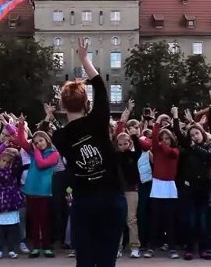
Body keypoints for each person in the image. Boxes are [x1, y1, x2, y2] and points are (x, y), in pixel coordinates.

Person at [52, 38, 126, 267]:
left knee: (84, 260)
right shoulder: (98, 119)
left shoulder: (60, 137)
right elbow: (100, 86)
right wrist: (85, 59)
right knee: (107, 261)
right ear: (86, 103)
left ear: (62, 107)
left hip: (84, 202)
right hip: (112, 198)